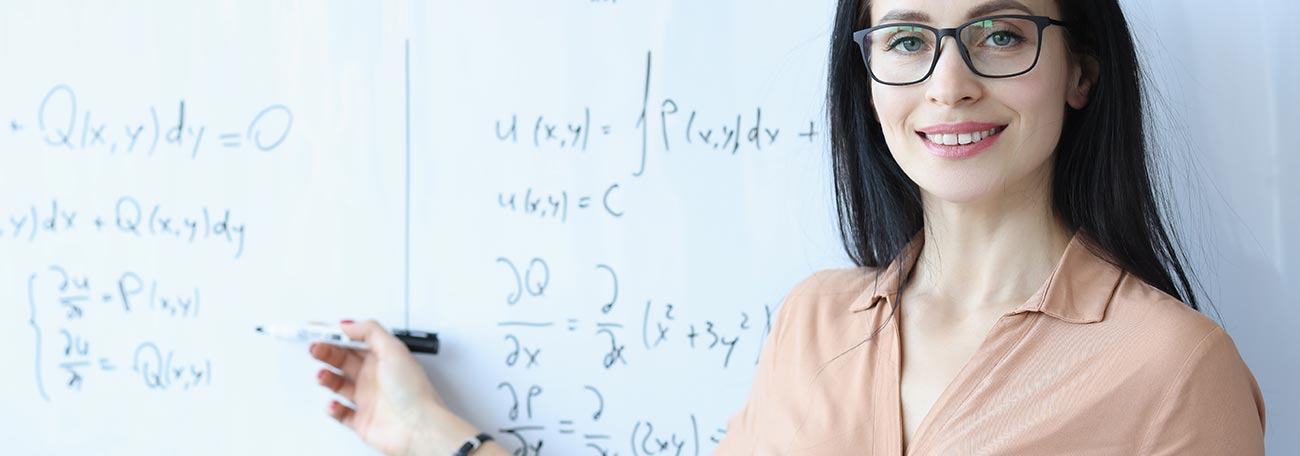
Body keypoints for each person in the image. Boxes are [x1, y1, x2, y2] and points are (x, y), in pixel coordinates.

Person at [309, 0, 1268, 454]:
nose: (949, 80)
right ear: (868, 77)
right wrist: (429, 432)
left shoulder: (1176, 371)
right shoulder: (815, 324)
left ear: (1082, 72)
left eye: (1001, 33)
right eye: (905, 39)